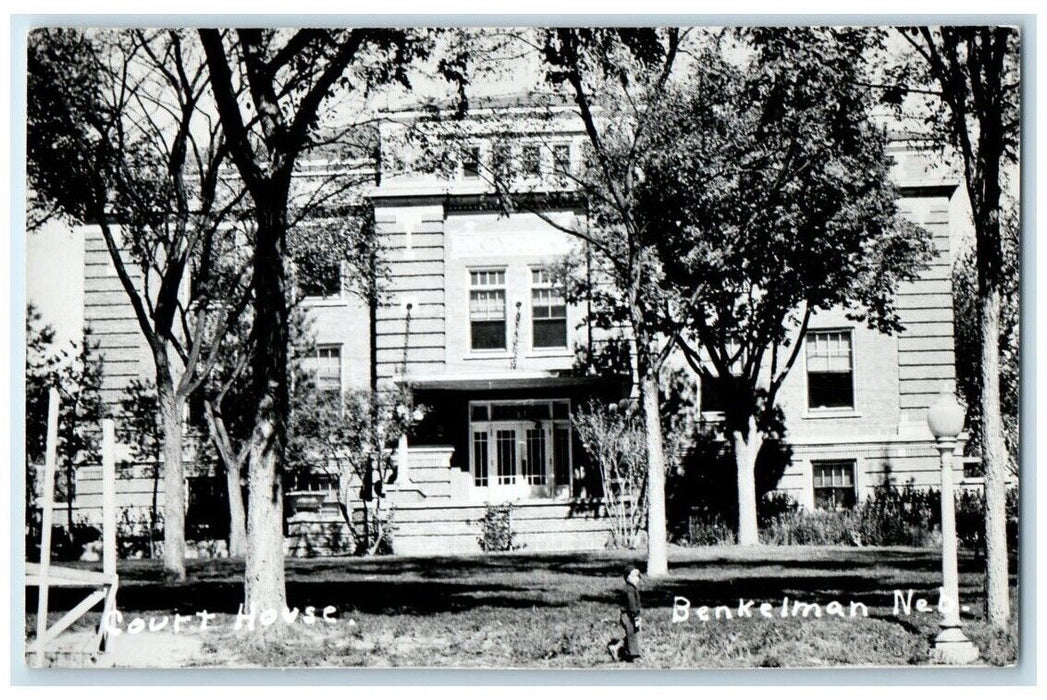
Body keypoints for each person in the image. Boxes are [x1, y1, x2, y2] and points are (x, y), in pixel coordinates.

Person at [608, 565, 642, 662]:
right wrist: (635, 615)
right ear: (627, 578)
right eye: (634, 576)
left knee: (630, 634)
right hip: (628, 615)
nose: (637, 579)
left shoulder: (631, 588)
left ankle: (615, 647)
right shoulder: (629, 590)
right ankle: (634, 655)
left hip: (628, 614)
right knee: (632, 635)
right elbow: (631, 604)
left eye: (638, 576)